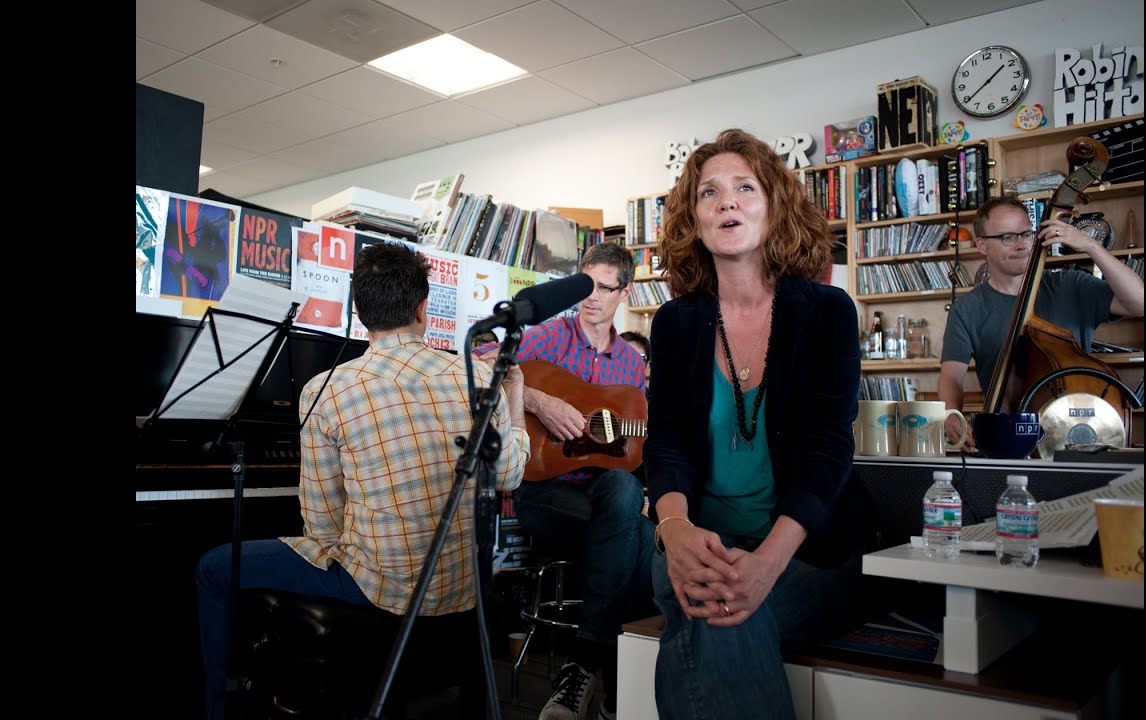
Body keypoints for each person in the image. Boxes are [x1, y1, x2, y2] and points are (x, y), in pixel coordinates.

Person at [195, 242, 530, 720]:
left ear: (359, 312)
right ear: (423, 306)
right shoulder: (479, 378)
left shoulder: (326, 388)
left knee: (213, 567)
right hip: (462, 587)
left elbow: (322, 524)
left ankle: (221, 707)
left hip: (383, 590)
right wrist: (515, 394)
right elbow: (509, 474)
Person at [645, 128, 869, 720]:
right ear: (693, 218)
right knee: (711, 594)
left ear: (774, 206)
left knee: (710, 618)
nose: (727, 201)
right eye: (709, 192)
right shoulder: (674, 323)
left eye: (746, 187)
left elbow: (828, 446)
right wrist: (675, 532)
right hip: (701, 543)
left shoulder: (826, 310)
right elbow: (665, 444)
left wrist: (768, 562)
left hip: (807, 553)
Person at [501, 241, 654, 720]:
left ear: (623, 292)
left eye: (604, 289)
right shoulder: (549, 336)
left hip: (600, 494)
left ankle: (583, 671)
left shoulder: (632, 366)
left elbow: (632, 444)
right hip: (541, 488)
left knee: (627, 500)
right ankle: (610, 681)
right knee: (638, 537)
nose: (591, 299)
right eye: (585, 286)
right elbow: (485, 366)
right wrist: (541, 403)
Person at [938, 195, 1146, 448]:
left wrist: (1092, 247)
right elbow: (952, 376)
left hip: (1081, 432)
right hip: (1009, 433)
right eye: (1007, 237)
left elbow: (1140, 303)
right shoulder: (967, 308)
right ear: (981, 245)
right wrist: (951, 415)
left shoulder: (1071, 285)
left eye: (1027, 234)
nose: (1022, 245)